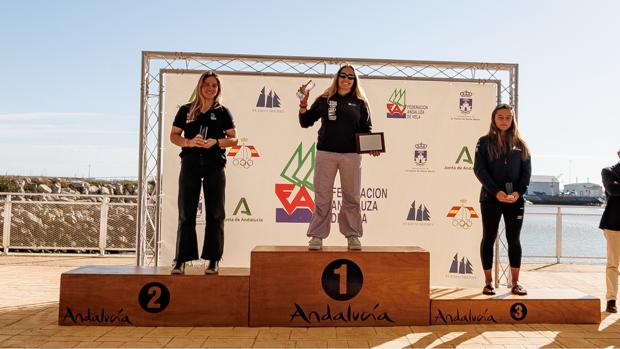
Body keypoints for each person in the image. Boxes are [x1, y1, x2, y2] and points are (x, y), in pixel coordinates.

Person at [297, 64, 379, 251]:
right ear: (337, 77)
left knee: (352, 197)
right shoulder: (325, 100)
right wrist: (303, 103)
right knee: (323, 196)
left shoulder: (361, 103)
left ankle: (352, 234)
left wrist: (372, 147)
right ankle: (317, 235)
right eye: (343, 75)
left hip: (351, 155)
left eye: (350, 77)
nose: (346, 79)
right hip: (326, 153)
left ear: (355, 80)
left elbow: (367, 130)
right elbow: (305, 122)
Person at [169, 71, 238, 275]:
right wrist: (189, 142)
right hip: (190, 164)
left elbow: (234, 139)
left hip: (214, 164)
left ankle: (213, 259)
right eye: (207, 84)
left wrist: (215, 142)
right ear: (200, 87)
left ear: (218, 89)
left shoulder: (223, 111)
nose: (210, 88)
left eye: (214, 85)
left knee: (216, 213)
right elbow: (174, 136)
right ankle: (181, 260)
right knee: (186, 213)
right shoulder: (186, 110)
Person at [474, 103, 531, 296]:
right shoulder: (483, 142)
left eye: (508, 117)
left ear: (513, 120)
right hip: (490, 198)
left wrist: (517, 193)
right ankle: (488, 282)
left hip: (515, 200)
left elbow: (526, 174)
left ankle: (515, 283)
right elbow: (479, 170)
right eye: (500, 117)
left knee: (514, 239)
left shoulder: (521, 145)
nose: (504, 121)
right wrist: (496, 192)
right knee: (488, 238)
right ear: (494, 119)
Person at [600, 147, 620, 313]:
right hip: (614, 224)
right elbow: (613, 189)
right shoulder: (608, 171)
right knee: (613, 264)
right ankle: (611, 299)